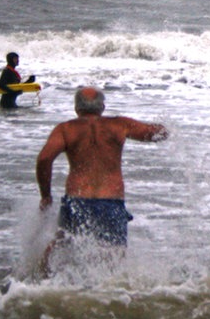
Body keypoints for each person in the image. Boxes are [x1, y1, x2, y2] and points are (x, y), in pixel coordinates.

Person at [35, 87, 168, 270]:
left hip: (78, 201)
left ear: (76, 108)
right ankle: (109, 293)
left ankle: (35, 287)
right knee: (114, 256)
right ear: (102, 107)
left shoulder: (66, 129)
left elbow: (44, 158)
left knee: (60, 246)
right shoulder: (119, 124)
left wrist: (46, 195)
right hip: (111, 202)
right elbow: (156, 133)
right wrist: (168, 128)